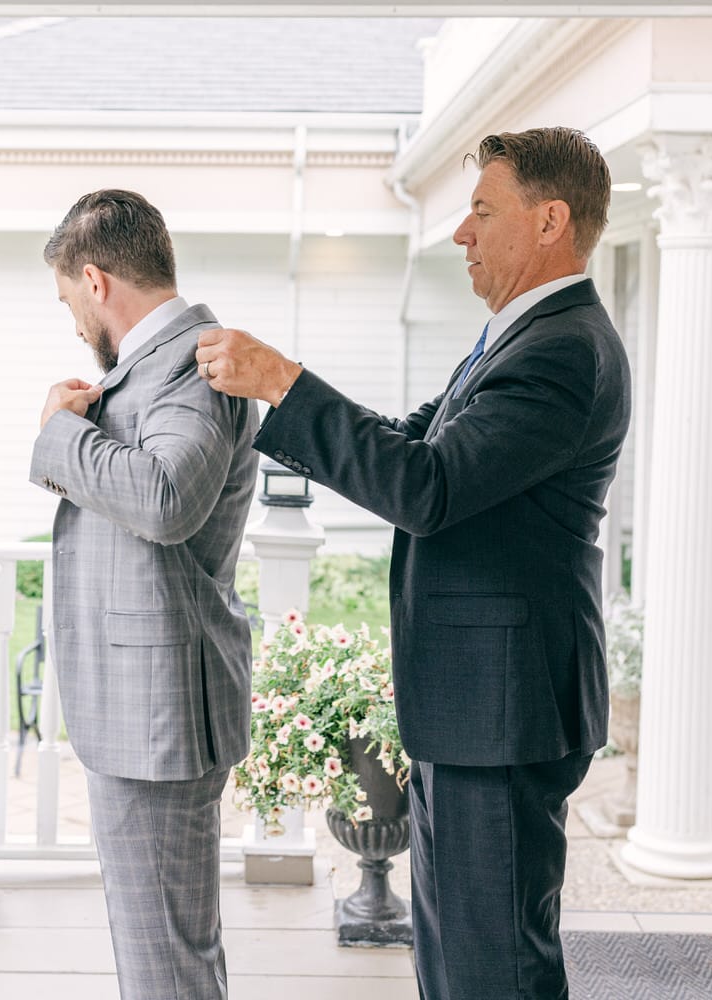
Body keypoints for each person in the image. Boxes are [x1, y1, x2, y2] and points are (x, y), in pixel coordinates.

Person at [194, 127, 631, 1000]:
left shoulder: (560, 351)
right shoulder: (514, 338)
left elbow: (425, 487)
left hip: (503, 717)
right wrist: (276, 400)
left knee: (492, 969)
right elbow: (408, 439)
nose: (461, 233)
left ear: (551, 221)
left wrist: (284, 381)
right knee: (451, 962)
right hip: (474, 709)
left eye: (480, 211)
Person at [30, 189, 258, 1000]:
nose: (72, 324)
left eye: (68, 301)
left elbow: (165, 499)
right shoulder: (159, 367)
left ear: (95, 281)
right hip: (142, 705)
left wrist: (60, 434)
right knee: (160, 951)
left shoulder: (195, 365)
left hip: (157, 712)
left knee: (165, 961)